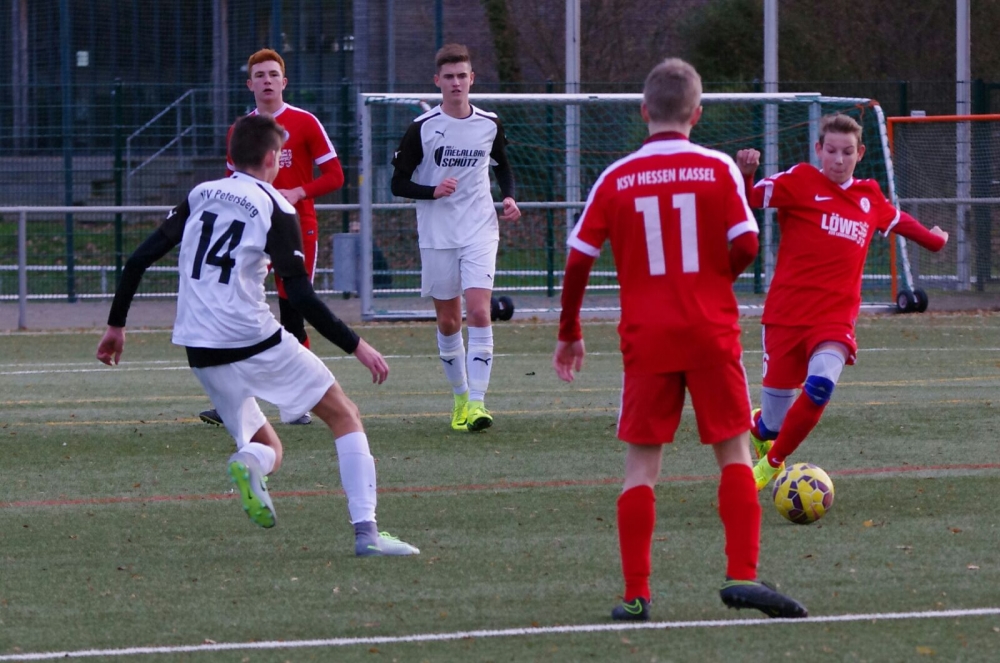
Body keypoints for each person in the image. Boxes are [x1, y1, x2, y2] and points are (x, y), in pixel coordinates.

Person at [552, 58, 807, 621]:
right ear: (697, 113)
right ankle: (741, 574)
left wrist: (569, 331)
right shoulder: (718, 168)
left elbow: (578, 258)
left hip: (648, 338)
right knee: (734, 452)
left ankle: (636, 595)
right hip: (710, 330)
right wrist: (714, 281)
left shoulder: (616, 177)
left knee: (641, 468)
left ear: (644, 111)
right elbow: (747, 242)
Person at [97, 113, 419, 557]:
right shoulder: (275, 206)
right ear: (272, 159)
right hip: (252, 337)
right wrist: (357, 345)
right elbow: (300, 295)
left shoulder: (200, 194)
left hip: (198, 346)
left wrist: (116, 325)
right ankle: (368, 534)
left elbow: (137, 260)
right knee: (345, 414)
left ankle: (247, 463)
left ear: (231, 158)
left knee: (267, 447)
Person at [736, 115, 949, 491]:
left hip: (834, 320)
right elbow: (750, 198)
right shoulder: (799, 180)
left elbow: (899, 221)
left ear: (860, 153)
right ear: (819, 149)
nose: (839, 159)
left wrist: (935, 241)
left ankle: (770, 465)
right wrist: (746, 173)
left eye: (847, 152)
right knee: (773, 424)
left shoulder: (870, 196)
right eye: (831, 150)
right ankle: (762, 430)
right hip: (785, 316)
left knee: (820, 386)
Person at [200, 47, 345, 427]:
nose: (267, 81)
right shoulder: (240, 130)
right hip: (251, 232)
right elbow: (232, 182)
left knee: (292, 311)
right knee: (237, 311)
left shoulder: (304, 122)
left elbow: (335, 176)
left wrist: (299, 192)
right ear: (249, 84)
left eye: (273, 74)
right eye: (260, 75)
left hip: (296, 228)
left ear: (284, 81)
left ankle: (298, 402)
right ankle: (234, 401)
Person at [390, 43, 520, 433]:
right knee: (449, 321)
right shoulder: (422, 128)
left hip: (480, 228)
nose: (456, 83)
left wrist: (509, 197)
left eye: (462, 75)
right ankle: (460, 397)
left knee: (479, 311)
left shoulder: (489, 124)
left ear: (472, 79)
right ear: (438, 81)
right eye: (449, 77)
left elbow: (502, 166)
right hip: (437, 234)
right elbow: (397, 183)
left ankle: (478, 403)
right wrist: (432, 191)